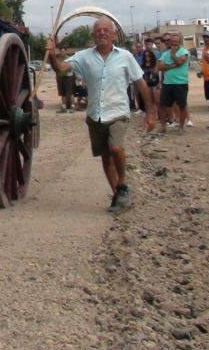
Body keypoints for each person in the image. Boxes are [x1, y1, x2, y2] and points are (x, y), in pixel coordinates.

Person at [46, 19, 155, 212]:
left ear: (113, 35)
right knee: (105, 157)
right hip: (95, 114)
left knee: (116, 148)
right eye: (98, 31)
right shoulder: (84, 57)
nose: (102, 33)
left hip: (118, 112)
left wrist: (150, 113)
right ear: (93, 36)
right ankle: (117, 196)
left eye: (106, 30)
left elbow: (141, 84)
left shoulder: (125, 56)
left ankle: (122, 185)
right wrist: (53, 54)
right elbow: (61, 69)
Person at [155, 33, 191, 134]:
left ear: (180, 42)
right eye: (172, 41)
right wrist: (172, 65)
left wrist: (173, 55)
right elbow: (160, 67)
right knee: (162, 105)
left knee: (182, 105)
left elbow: (180, 62)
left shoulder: (184, 51)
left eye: (176, 41)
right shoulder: (165, 53)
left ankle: (181, 127)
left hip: (180, 83)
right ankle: (163, 127)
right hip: (167, 83)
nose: (174, 43)